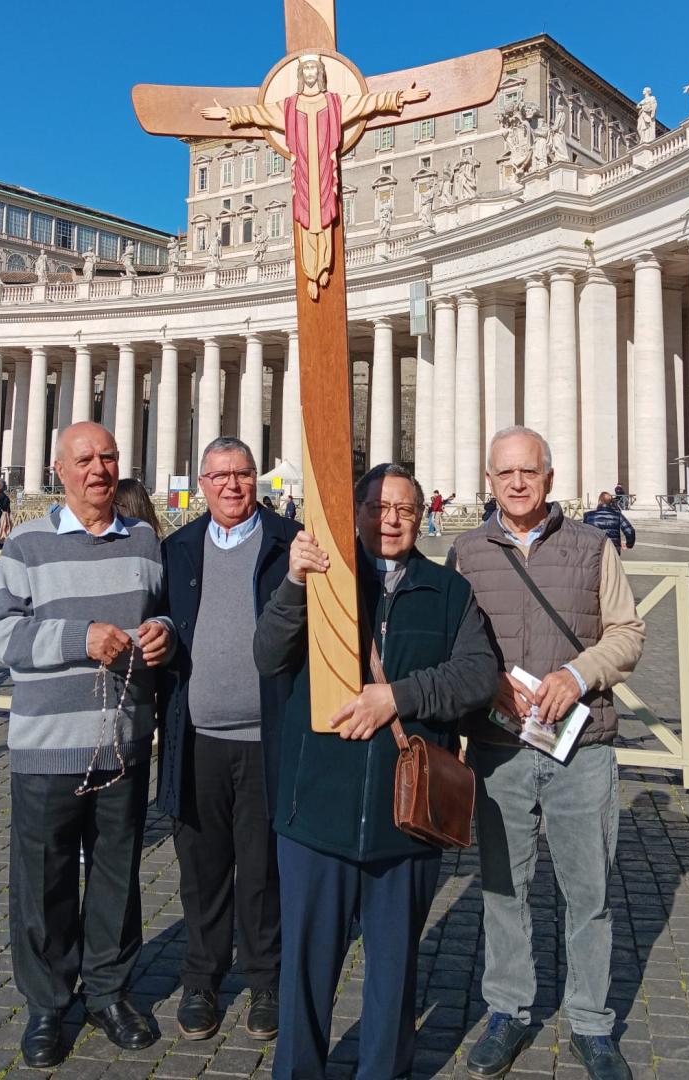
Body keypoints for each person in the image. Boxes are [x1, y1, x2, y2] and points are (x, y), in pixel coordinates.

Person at [255, 462, 498, 1080]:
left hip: (407, 817)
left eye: (404, 510)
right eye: (376, 509)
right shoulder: (321, 578)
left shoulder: (448, 592)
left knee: (394, 974)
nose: (390, 521)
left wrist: (398, 697)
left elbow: (475, 677)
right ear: (355, 513)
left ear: (422, 516)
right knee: (305, 972)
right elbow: (267, 653)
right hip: (317, 808)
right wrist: (291, 585)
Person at [449, 427, 645, 1080]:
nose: (516, 483)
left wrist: (580, 674)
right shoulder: (467, 552)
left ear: (550, 478)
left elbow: (627, 633)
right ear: (489, 480)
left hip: (581, 747)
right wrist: (485, 682)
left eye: (528, 471)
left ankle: (591, 1022)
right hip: (499, 748)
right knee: (504, 889)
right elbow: (455, 646)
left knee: (588, 893)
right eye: (504, 473)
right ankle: (507, 1010)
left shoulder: (593, 546)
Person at [0, 422, 173, 1070]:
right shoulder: (28, 544)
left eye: (109, 457)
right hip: (45, 746)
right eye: (86, 459)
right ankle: (46, 1005)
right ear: (59, 470)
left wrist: (163, 634)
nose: (99, 469)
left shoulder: (145, 539)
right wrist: (77, 639)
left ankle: (110, 993)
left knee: (118, 879)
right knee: (44, 881)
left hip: (121, 743)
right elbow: (0, 635)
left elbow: (165, 608)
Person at [156, 437, 300, 1044]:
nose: (232, 486)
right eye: (220, 476)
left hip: (270, 734)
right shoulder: (178, 548)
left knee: (263, 869)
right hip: (197, 734)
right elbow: (161, 620)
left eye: (243, 474)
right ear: (203, 482)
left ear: (257, 481)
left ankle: (266, 979)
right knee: (202, 867)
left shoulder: (290, 542)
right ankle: (202, 978)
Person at [203, 55, 429, 300]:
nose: (310, 72)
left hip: (324, 169)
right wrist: (227, 113)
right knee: (305, 219)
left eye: (314, 68)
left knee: (325, 216)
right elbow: (258, 113)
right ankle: (311, 270)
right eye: (306, 68)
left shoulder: (335, 103)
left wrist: (399, 97)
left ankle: (323, 266)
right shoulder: (288, 107)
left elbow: (366, 103)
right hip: (302, 171)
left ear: (320, 73)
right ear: (301, 75)